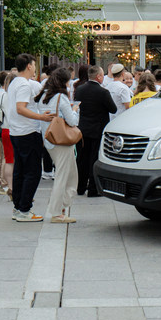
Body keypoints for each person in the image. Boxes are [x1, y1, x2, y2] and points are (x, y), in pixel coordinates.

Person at [6, 54, 56, 222]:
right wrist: (41, 117)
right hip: (27, 132)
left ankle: (18, 207)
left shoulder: (14, 82)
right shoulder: (23, 85)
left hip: (17, 132)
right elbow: (21, 108)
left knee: (20, 172)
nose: (35, 68)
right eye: (34, 65)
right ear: (28, 66)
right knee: (32, 172)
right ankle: (24, 209)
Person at [36, 68, 79, 223]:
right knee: (64, 176)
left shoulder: (44, 95)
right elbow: (73, 121)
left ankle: (61, 207)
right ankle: (56, 212)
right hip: (62, 141)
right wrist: (75, 110)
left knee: (70, 175)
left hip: (49, 139)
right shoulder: (61, 97)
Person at [73, 65, 116, 197]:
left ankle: (80, 187)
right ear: (98, 76)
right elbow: (113, 109)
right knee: (94, 159)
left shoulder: (79, 89)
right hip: (98, 129)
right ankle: (93, 188)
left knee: (82, 159)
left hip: (83, 128)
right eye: (102, 75)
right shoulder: (103, 92)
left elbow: (76, 106)